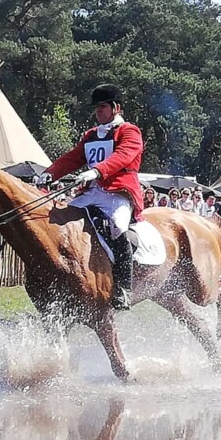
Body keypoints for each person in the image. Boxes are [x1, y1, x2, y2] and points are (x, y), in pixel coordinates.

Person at [44, 83, 145, 310]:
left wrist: (97, 170)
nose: (98, 111)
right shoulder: (90, 135)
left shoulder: (129, 131)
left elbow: (123, 156)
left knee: (117, 227)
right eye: (96, 108)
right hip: (91, 192)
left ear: (115, 107)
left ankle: (123, 288)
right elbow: (73, 158)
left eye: (102, 107)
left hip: (117, 193)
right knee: (61, 220)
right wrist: (50, 173)